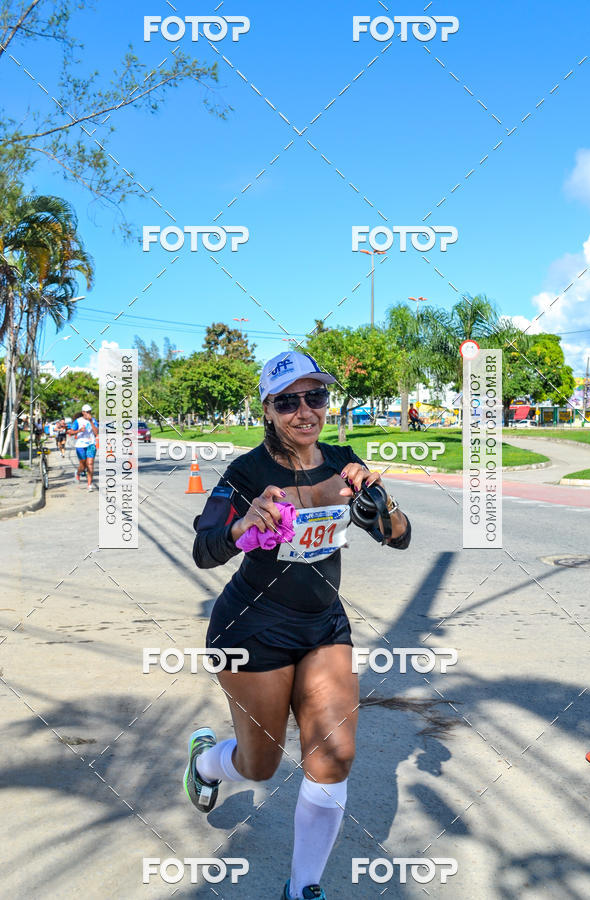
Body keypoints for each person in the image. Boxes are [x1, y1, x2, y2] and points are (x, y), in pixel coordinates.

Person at [186, 351, 411, 900]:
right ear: (268, 408)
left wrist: (381, 503)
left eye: (315, 397)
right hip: (250, 630)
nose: (304, 411)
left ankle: (303, 888)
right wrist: (243, 524)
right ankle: (207, 763)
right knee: (259, 766)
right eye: (288, 401)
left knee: (334, 756)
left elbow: (400, 536)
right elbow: (203, 548)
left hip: (322, 626)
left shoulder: (343, 460)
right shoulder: (245, 473)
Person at [69, 404, 98, 491]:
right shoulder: (78, 421)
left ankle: (89, 485)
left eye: (90, 412)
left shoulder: (93, 420)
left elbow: (96, 433)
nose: (88, 413)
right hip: (80, 445)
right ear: (83, 412)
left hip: (91, 444)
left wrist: (91, 422)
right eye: (87, 412)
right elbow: (70, 432)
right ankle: (78, 473)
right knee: (83, 465)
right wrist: (79, 430)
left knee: (90, 464)